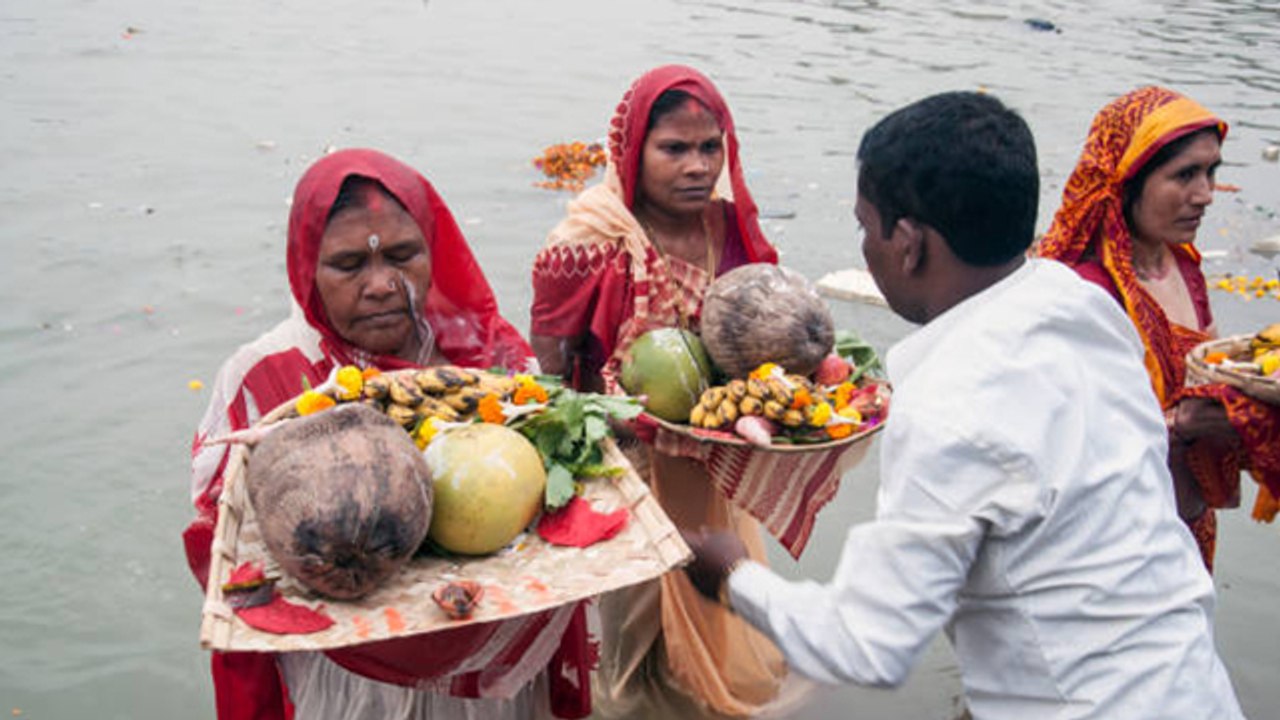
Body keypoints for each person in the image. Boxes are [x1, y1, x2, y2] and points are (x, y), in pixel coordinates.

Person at [682, 91, 1245, 718]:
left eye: (865, 227)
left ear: (908, 242)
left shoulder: (951, 405)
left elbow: (868, 645)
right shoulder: (1084, 305)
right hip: (1195, 689)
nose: (865, 246)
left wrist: (735, 577)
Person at [184, 149, 592, 720]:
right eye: (349, 265)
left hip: (481, 649)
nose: (380, 284)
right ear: (307, 268)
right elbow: (222, 531)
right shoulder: (265, 377)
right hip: (346, 668)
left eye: (403, 255)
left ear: (434, 248)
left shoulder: (491, 361)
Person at [530, 65, 801, 717]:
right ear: (632, 151)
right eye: (673, 148)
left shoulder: (731, 231)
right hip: (622, 468)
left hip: (710, 462)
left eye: (710, 148)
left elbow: (763, 338)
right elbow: (549, 370)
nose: (696, 166)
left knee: (716, 609)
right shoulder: (586, 243)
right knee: (628, 637)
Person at [1036, 86, 1280, 570]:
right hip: (1108, 549)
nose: (1205, 195)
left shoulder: (1183, 266)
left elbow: (1208, 378)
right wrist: (1179, 425)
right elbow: (1058, 452)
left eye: (1211, 172)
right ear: (1125, 181)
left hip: (1187, 526)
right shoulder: (1080, 291)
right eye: (1184, 175)